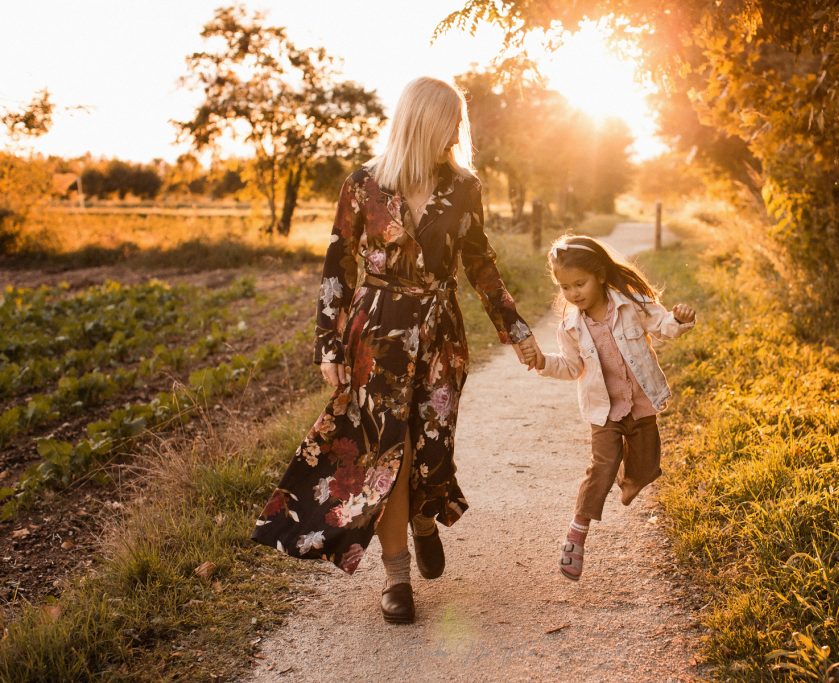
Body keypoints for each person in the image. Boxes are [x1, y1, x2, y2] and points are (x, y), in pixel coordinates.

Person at [250, 76, 542, 624]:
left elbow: (480, 264)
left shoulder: (463, 187)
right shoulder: (364, 184)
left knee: (431, 449)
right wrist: (327, 344)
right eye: (451, 120)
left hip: (439, 335)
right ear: (424, 121)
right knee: (389, 453)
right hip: (375, 335)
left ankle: (426, 520)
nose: (458, 131)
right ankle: (397, 578)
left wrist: (516, 329)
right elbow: (338, 263)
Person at [520, 235, 696, 581]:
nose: (573, 294)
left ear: (599, 275)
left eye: (580, 283)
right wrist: (541, 361)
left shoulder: (632, 304)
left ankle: (625, 475)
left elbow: (663, 327)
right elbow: (572, 368)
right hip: (604, 412)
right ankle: (576, 533)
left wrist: (680, 318)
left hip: (641, 404)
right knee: (600, 466)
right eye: (565, 287)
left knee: (645, 470)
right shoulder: (570, 327)